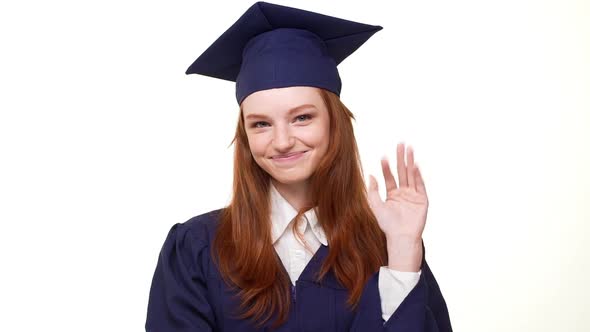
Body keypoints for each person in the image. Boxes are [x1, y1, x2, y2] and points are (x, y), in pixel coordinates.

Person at [145, 2, 452, 331]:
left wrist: (404, 250)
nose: (282, 141)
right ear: (245, 136)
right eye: (261, 124)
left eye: (302, 117)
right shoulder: (197, 247)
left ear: (335, 123)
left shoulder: (384, 245)